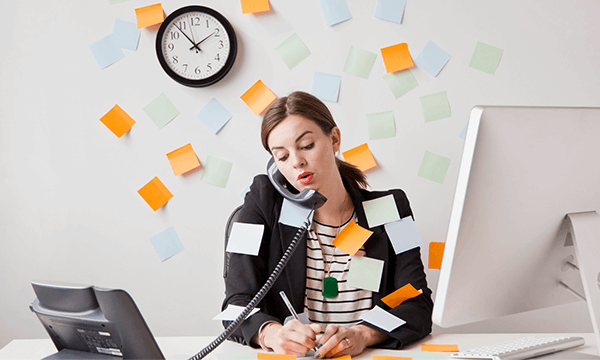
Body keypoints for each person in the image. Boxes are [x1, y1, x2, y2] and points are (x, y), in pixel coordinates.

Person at [223, 91, 432, 358]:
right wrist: (273, 334)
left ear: (334, 139)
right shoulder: (262, 202)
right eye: (282, 156)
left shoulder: (390, 208)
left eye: (307, 145)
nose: (297, 161)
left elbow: (417, 302)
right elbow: (235, 305)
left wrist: (363, 335)